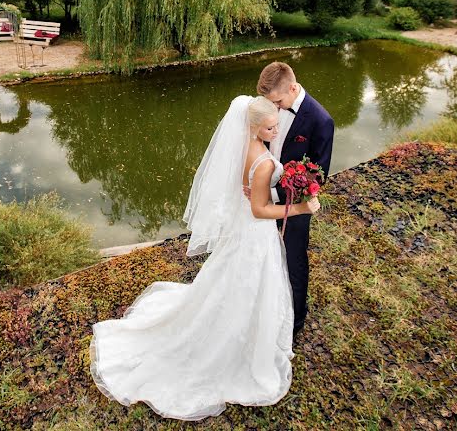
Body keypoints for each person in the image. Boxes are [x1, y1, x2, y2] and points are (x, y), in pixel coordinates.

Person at [90, 95, 320, 420]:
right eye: (271, 126)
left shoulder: (244, 146)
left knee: (231, 281)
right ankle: (237, 346)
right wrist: (299, 207)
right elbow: (259, 210)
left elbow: (249, 189)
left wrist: (266, 186)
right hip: (254, 233)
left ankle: (239, 330)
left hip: (243, 227)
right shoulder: (265, 161)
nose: (276, 129)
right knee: (251, 284)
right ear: (255, 126)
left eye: (276, 123)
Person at [255, 62, 334, 335]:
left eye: (278, 101)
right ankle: (265, 307)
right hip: (263, 192)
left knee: (294, 259)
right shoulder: (271, 106)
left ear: (292, 87)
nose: (275, 108)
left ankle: (296, 321)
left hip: (294, 203)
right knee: (264, 254)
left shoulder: (321, 120)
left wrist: (272, 195)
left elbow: (318, 176)